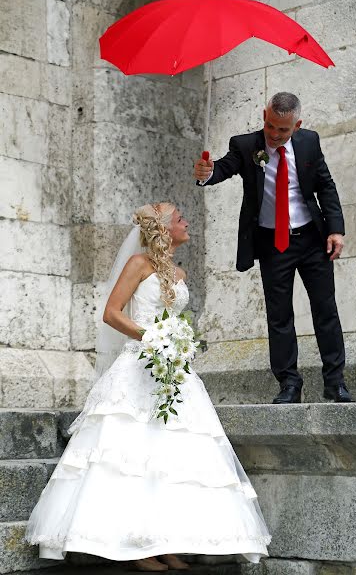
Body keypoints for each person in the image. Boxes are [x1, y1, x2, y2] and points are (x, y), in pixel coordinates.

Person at [25, 202, 270, 568]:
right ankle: (137, 547)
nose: (187, 222)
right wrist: (153, 336)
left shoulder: (181, 273)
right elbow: (112, 312)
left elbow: (175, 318)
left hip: (174, 373)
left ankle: (164, 541)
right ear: (163, 229)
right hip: (139, 367)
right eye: (180, 218)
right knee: (133, 454)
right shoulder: (138, 265)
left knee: (169, 458)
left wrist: (179, 340)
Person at [193, 92, 353, 404]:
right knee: (279, 316)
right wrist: (207, 173)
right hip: (272, 242)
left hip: (310, 239)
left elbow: (325, 186)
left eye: (283, 130)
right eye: (270, 127)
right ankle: (289, 384)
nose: (275, 135)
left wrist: (336, 229)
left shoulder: (309, 142)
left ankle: (335, 382)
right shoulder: (245, 145)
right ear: (264, 116)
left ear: (297, 125)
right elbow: (223, 168)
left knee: (326, 310)